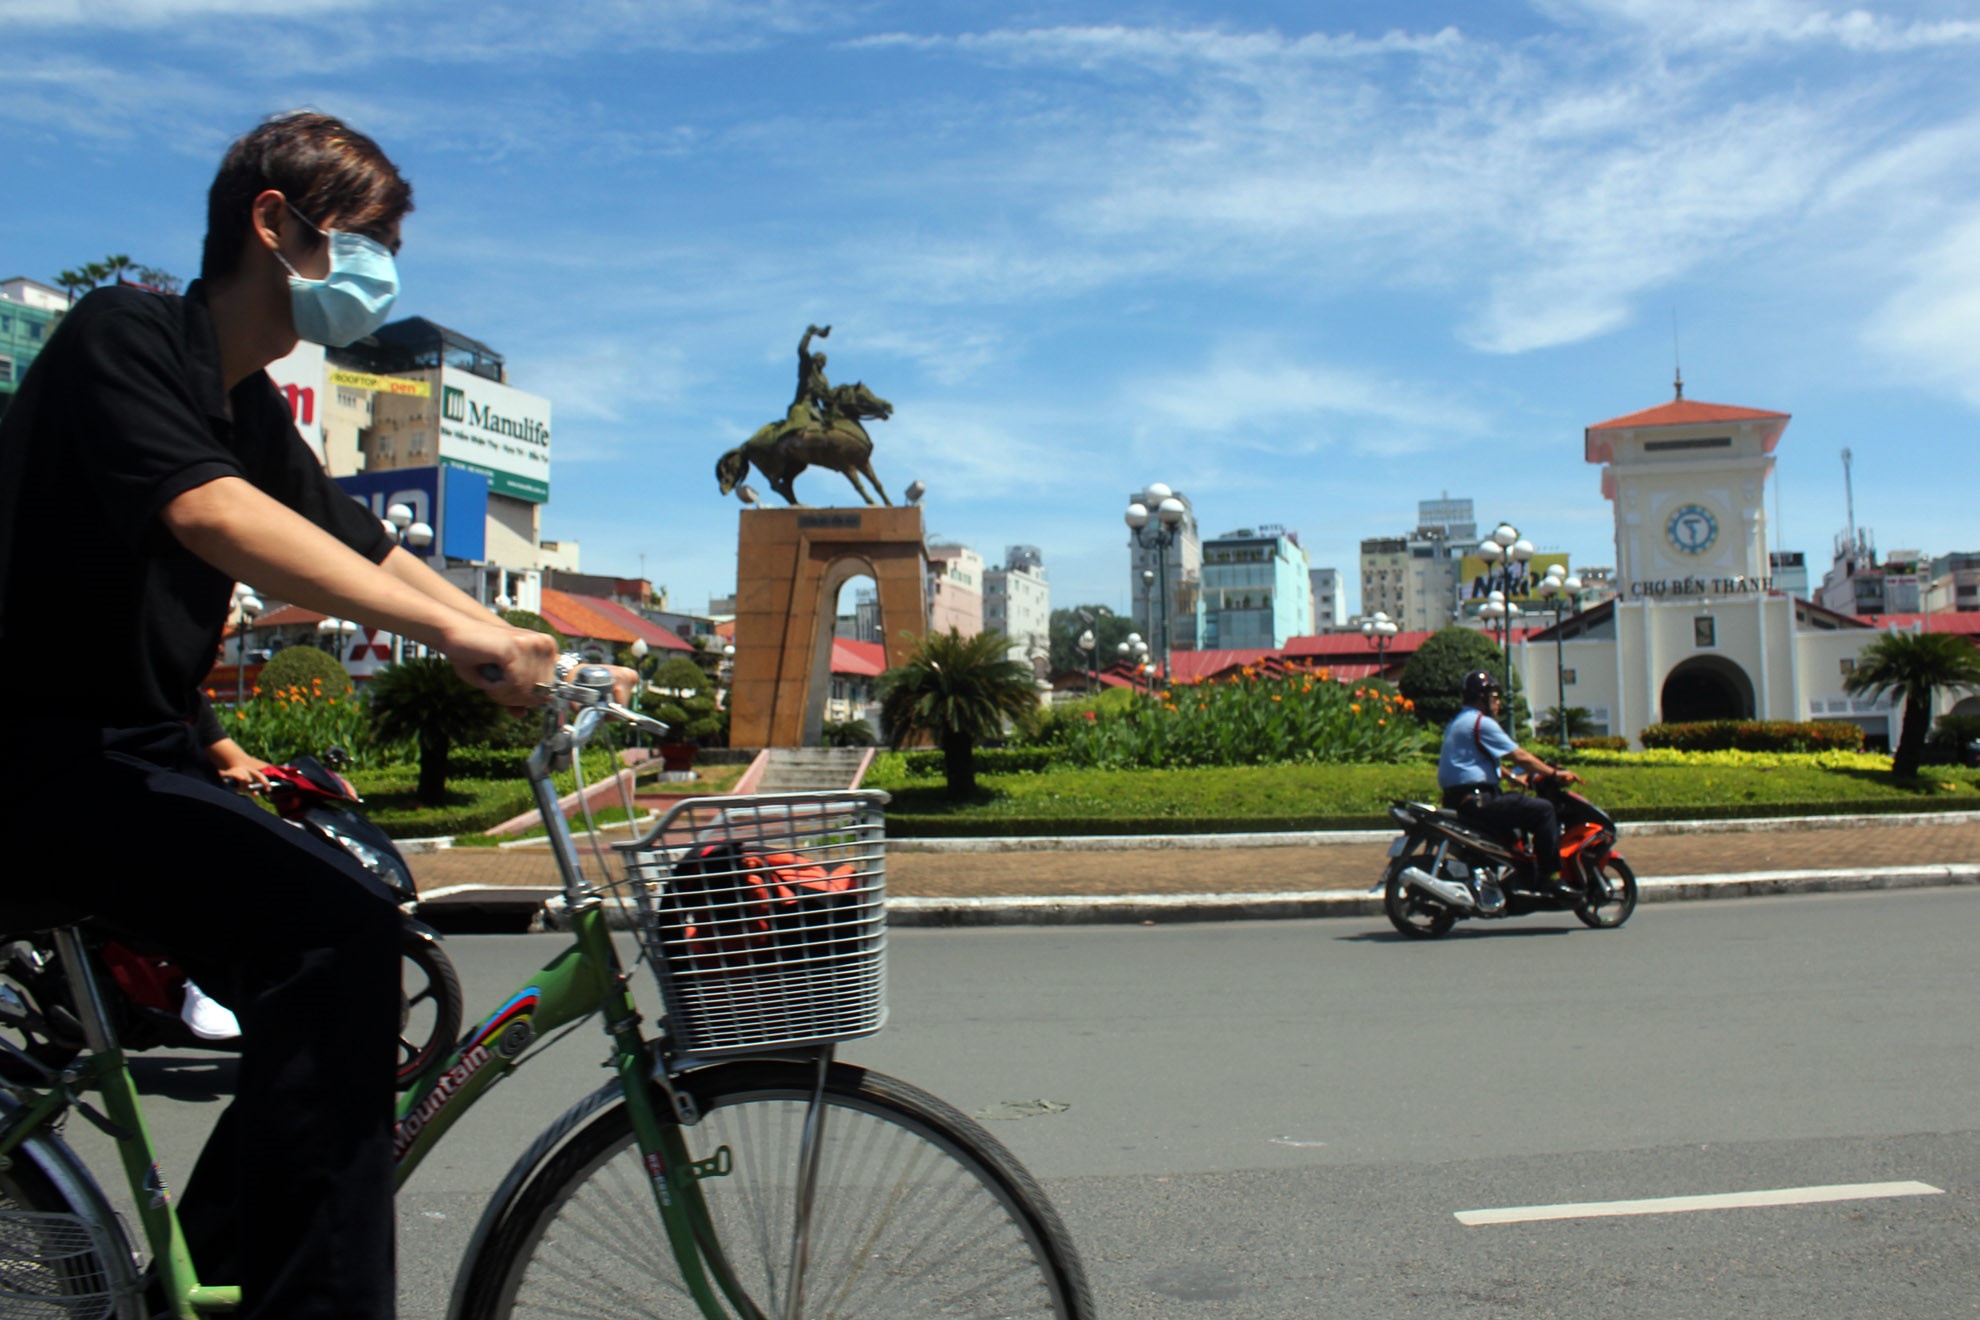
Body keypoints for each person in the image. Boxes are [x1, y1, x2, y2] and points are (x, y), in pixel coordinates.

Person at [0, 111, 558, 1320]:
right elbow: (215, 520)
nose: (386, 274)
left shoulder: (249, 408)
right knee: (336, 951)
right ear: (274, 223)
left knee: (363, 932)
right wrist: (458, 635)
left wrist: (506, 630)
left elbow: (358, 545)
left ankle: (199, 1286)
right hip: (37, 765)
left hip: (135, 755)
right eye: (372, 239)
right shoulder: (126, 336)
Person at [1436, 669, 1580, 898]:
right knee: (1543, 811)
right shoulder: (1481, 723)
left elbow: (1476, 761)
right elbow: (1520, 756)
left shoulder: (1458, 721)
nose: (1498, 703)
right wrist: (1554, 774)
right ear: (1482, 698)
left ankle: (1513, 878)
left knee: (1514, 826)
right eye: (1494, 697)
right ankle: (1548, 878)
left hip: (1460, 798)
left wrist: (1512, 778)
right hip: (1479, 800)